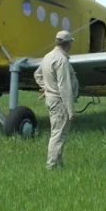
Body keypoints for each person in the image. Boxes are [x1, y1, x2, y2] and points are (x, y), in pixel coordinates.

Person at [34, 30, 79, 169]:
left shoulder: (48, 56)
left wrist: (47, 88)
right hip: (59, 102)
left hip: (52, 100)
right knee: (58, 136)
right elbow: (64, 86)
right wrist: (71, 110)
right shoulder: (61, 59)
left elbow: (38, 75)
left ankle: (59, 165)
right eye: (71, 42)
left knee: (58, 134)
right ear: (68, 43)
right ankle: (51, 167)